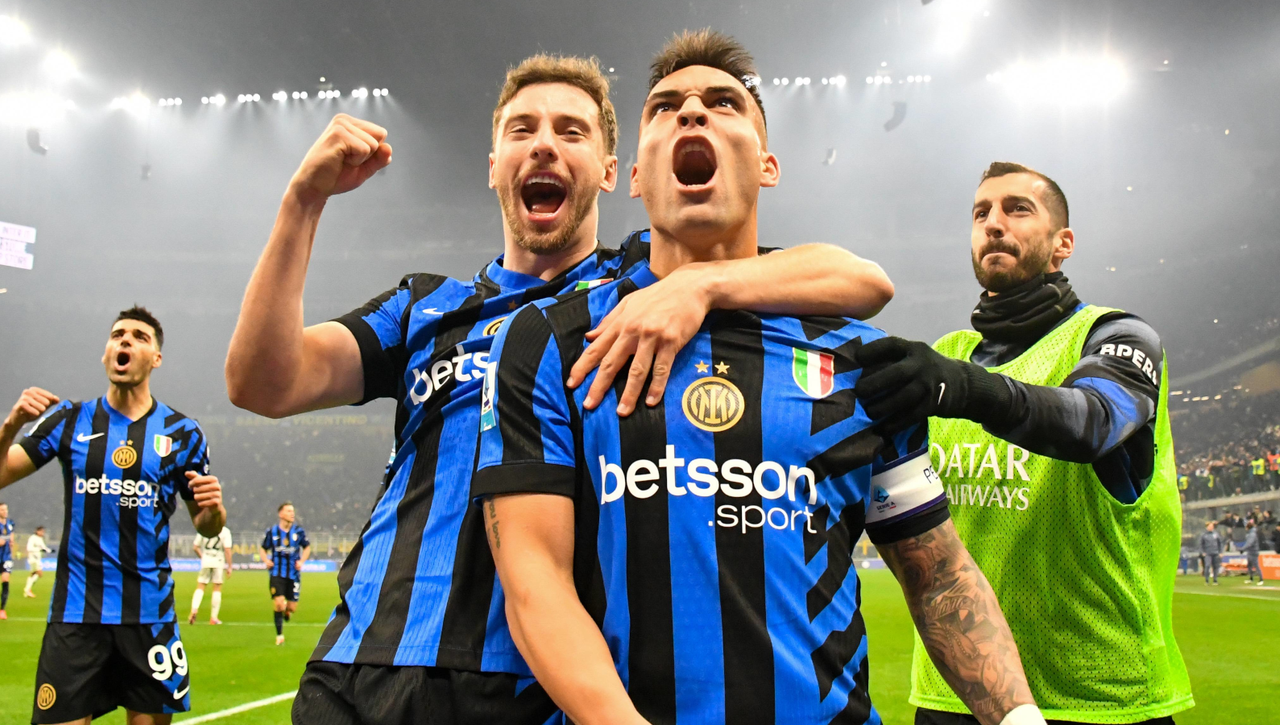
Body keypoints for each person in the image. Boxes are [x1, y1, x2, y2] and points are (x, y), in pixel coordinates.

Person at [226, 54, 895, 725]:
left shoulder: (640, 286)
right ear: (494, 166)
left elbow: (856, 279)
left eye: (572, 131)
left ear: (611, 172)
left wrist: (702, 283)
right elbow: (262, 382)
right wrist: (302, 202)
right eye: (522, 129)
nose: (544, 143)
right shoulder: (425, 306)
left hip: (526, 683)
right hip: (361, 660)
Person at [475, 30, 1045, 725]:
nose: (692, 112)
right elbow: (535, 585)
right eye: (664, 107)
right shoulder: (548, 341)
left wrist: (1020, 717)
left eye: (724, 103)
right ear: (635, 175)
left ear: (768, 165)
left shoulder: (860, 358)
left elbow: (940, 576)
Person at [851, 162, 1192, 724]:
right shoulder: (949, 354)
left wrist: (967, 389)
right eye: (981, 213)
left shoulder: (1118, 336)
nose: (993, 223)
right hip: (953, 689)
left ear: (1063, 244)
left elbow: (1094, 421)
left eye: (1017, 209)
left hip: (1099, 695)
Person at [0, 306, 226, 725]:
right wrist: (10, 426)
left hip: (150, 616)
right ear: (106, 353)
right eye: (118, 334)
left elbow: (206, 524)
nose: (126, 340)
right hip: (76, 616)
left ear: (156, 358)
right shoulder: (68, 420)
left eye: (140, 336)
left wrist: (215, 510)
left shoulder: (183, 433)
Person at [261, 502, 309, 646]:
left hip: (294, 575)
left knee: (291, 608)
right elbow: (263, 548)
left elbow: (307, 547)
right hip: (276, 573)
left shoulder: (298, 532)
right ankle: (279, 635)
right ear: (281, 514)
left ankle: (287, 611)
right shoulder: (272, 532)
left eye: (292, 511)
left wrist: (302, 561)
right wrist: (266, 560)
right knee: (278, 604)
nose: (292, 513)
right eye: (288, 511)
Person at [189, 525, 233, 625]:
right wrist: (230, 566)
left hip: (206, 559)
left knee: (201, 585)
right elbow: (227, 550)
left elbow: (195, 547)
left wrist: (202, 557)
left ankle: (194, 609)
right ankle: (214, 618)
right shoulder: (225, 531)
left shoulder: (204, 528)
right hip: (218, 559)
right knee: (217, 587)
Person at [24, 525, 53, 598]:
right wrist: (39, 550)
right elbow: (29, 548)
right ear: (37, 531)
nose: (43, 533)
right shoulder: (32, 538)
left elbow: (43, 548)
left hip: (38, 559)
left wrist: (50, 551)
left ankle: (27, 590)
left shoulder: (40, 539)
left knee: (34, 574)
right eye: (41, 531)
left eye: (43, 532)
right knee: (38, 573)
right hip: (33, 559)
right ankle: (27, 590)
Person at [0, 502, 13, 619]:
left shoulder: (10, 523)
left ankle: (2, 610)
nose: (5, 512)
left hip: (6, 558)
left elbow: (11, 534)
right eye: (2, 510)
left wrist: (11, 541)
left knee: (5, 579)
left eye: (6, 509)